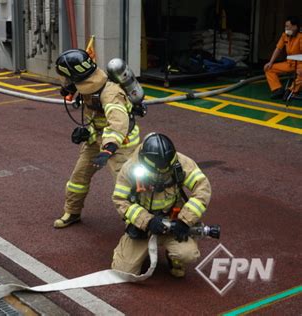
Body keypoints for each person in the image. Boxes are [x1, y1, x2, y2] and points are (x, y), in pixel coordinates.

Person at [54, 49, 141, 228]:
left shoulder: (110, 93)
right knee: (78, 179)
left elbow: (118, 124)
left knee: (126, 185)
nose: (64, 82)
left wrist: (109, 149)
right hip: (97, 140)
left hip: (120, 144)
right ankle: (72, 212)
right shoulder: (87, 86)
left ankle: (136, 223)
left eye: (66, 77)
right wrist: (88, 133)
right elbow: (96, 118)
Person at [111, 133, 211, 277]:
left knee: (188, 254)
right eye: (158, 173)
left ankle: (174, 258)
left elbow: (203, 188)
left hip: (173, 220)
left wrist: (184, 221)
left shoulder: (180, 163)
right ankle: (135, 252)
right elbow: (120, 200)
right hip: (143, 225)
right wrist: (147, 221)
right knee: (122, 271)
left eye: (166, 172)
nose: (162, 177)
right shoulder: (130, 168)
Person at [264, 16, 302, 99]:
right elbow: (278, 49)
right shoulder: (285, 35)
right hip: (289, 63)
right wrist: (270, 62)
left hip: (300, 64)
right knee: (268, 68)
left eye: (288, 26)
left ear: (295, 27)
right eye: (285, 26)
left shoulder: (300, 37)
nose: (286, 28)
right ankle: (278, 89)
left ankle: (291, 91)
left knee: (301, 73)